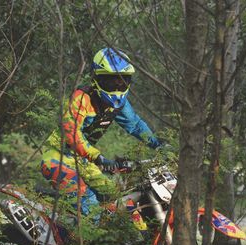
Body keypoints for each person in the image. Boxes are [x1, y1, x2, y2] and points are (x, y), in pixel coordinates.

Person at [40, 47, 161, 215]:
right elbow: (71, 133)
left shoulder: (120, 104)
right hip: (57, 156)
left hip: (84, 161)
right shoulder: (82, 98)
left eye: (123, 81)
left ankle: (111, 238)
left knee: (114, 197)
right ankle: (76, 239)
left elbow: (135, 125)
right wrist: (99, 157)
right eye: (113, 81)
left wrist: (159, 145)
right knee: (88, 201)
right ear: (98, 78)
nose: (118, 86)